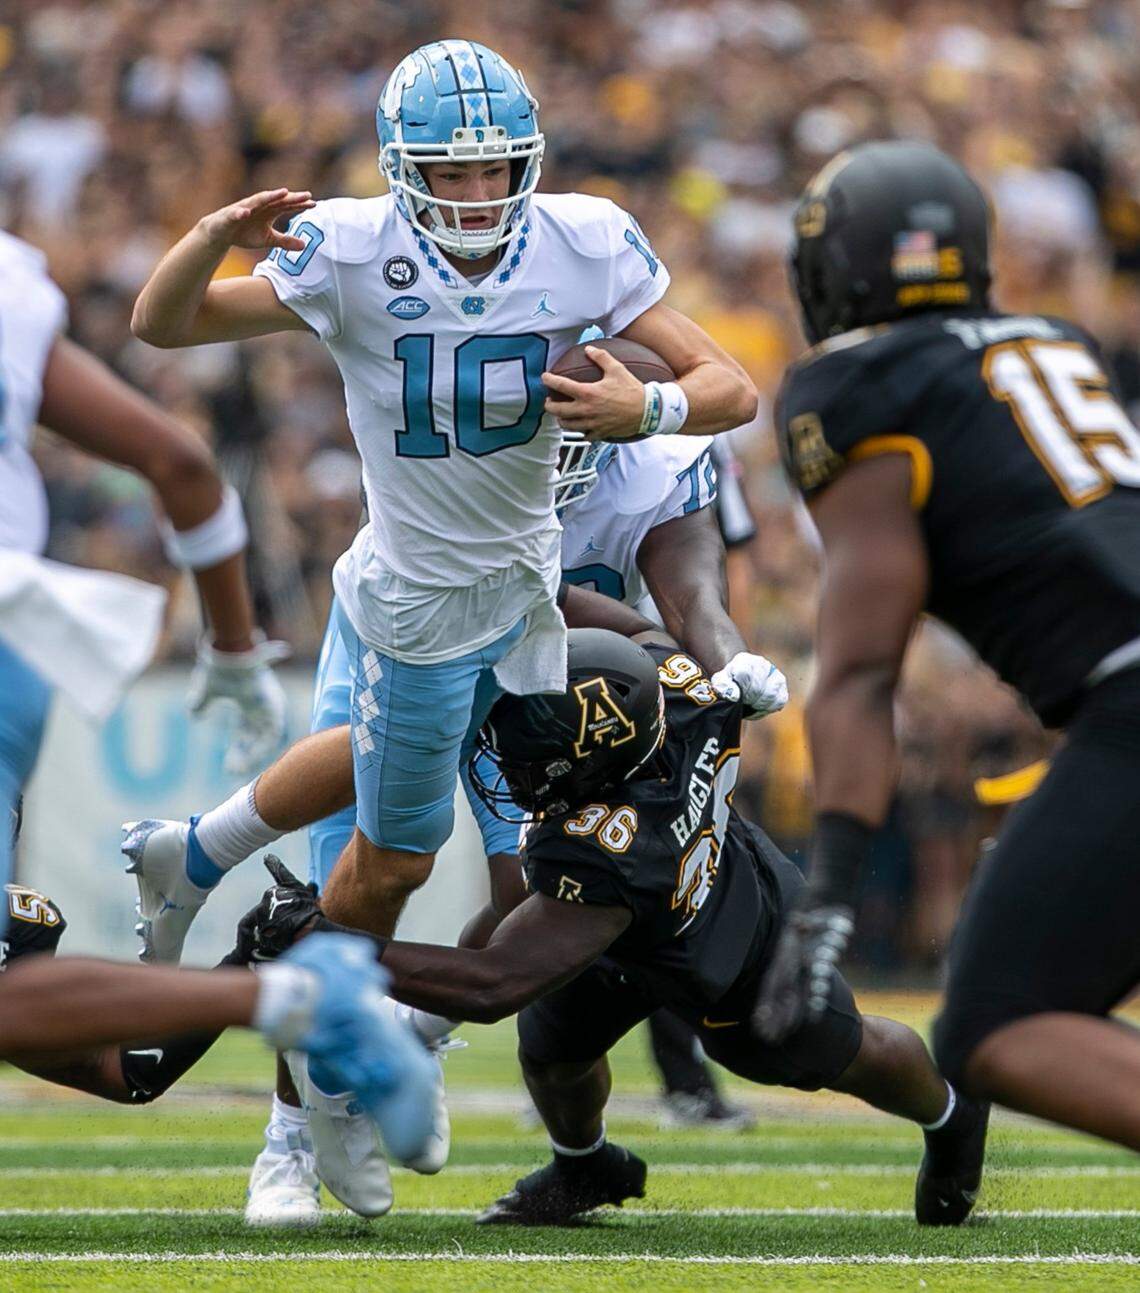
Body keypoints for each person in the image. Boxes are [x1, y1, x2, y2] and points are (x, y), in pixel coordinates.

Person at [128, 36, 757, 1220]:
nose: (473, 196)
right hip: (412, 608)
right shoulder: (354, 247)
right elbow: (166, 327)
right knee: (387, 861)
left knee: (514, 858)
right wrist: (212, 235)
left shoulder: (587, 237)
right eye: (448, 173)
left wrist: (648, 404)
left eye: (493, 170)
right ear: (398, 168)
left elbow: (729, 387)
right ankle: (312, 1106)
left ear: (530, 161)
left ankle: (229, 889)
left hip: (527, 593)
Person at [246, 629, 989, 1227]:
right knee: (552, 1047)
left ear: (588, 765)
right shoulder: (663, 683)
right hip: (645, 912)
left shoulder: (616, 849)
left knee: (816, 1049)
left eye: (535, 760)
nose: (514, 766)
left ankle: (951, 1111)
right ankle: (585, 1166)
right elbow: (630, 627)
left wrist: (335, 940)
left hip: (730, 944)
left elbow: (493, 982)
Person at [756, 139, 1140, 1153]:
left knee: (995, 1024)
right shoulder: (1055, 339)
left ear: (841, 271)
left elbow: (862, 664)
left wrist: (828, 891)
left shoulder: (856, 386)